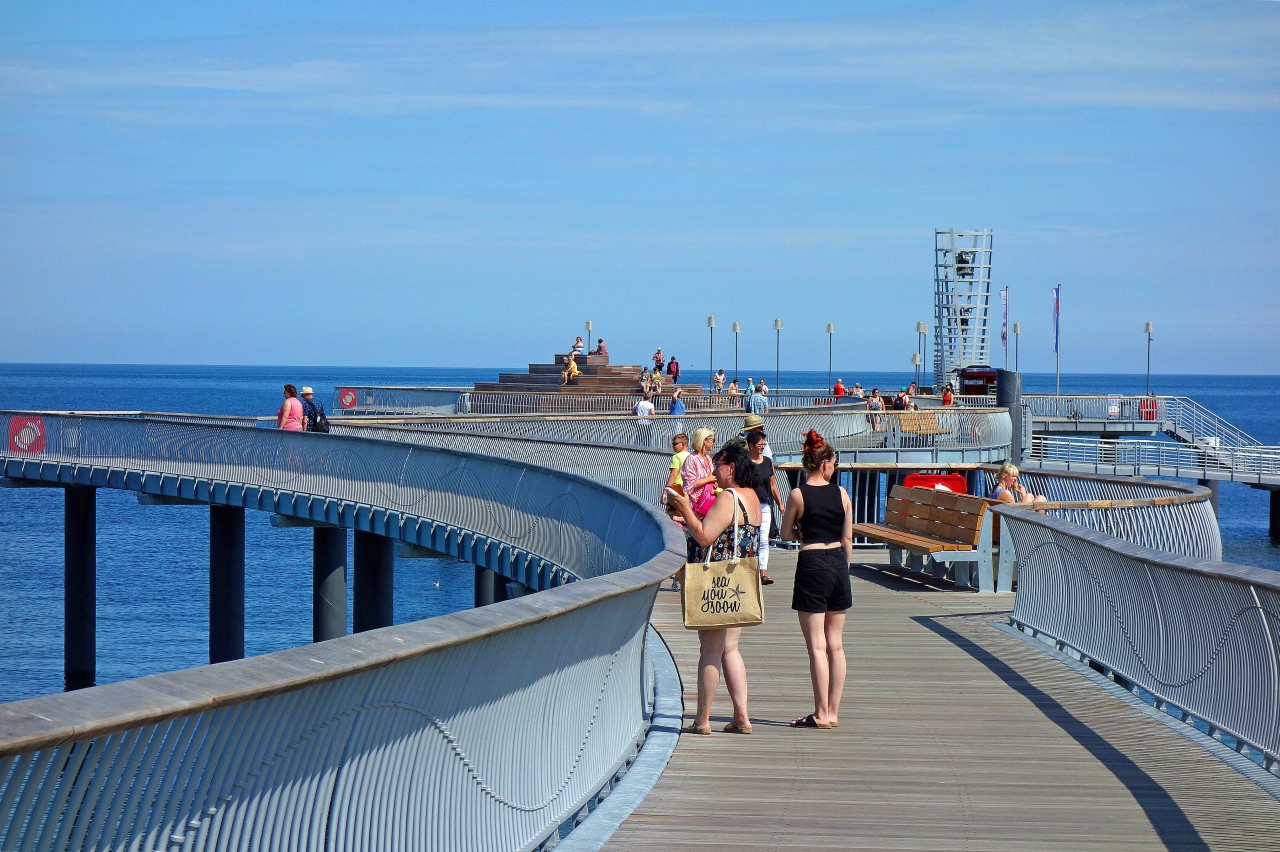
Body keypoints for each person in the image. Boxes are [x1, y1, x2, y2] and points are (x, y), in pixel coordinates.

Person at [666, 439, 762, 735]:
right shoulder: (753, 498)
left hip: (717, 583)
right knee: (730, 650)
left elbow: (706, 537)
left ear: (731, 468)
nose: (713, 470)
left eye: (717, 465)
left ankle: (702, 720)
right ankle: (742, 717)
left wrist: (683, 506)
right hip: (740, 582)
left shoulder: (728, 497)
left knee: (710, 650)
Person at [780, 429, 852, 729]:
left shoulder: (798, 494)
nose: (834, 468)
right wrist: (843, 568)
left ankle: (820, 712)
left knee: (817, 647)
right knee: (836, 645)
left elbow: (785, 534)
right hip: (837, 562)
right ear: (824, 464)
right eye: (833, 463)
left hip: (811, 561)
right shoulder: (842, 493)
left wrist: (802, 533)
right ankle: (832, 712)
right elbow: (847, 537)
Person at [745, 430, 783, 586]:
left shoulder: (767, 462)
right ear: (750, 445)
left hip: (765, 504)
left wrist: (780, 504)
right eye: (759, 444)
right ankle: (748, 571)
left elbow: (773, 485)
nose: (762, 447)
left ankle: (763, 573)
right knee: (749, 538)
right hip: (748, 505)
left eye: (763, 444)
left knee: (764, 539)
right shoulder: (744, 462)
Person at [680, 427, 718, 520]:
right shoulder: (691, 459)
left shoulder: (709, 459)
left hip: (708, 504)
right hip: (695, 506)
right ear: (705, 440)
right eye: (713, 440)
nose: (714, 443)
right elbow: (689, 485)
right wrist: (709, 479)